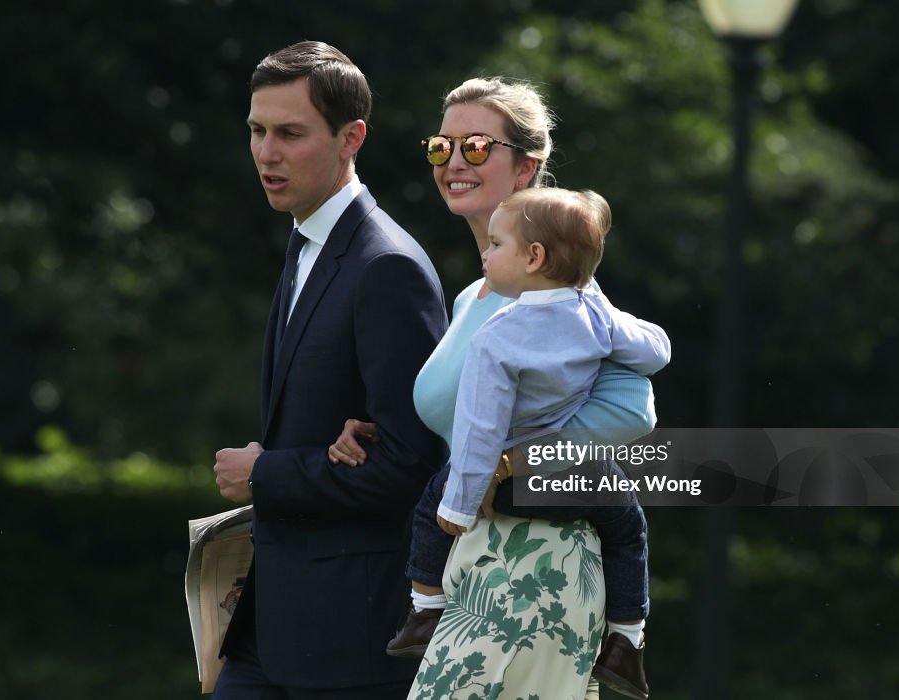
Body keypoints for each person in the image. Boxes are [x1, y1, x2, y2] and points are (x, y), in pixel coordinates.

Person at [328, 78, 659, 700]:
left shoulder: (568, 298)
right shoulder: (470, 297)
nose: (454, 162)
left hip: (540, 561)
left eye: (476, 147)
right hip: (472, 562)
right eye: (441, 147)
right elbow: (469, 414)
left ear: (527, 166)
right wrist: (371, 428)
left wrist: (508, 468)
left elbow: (629, 412)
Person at [210, 41, 449, 700]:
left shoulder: (387, 267)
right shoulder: (305, 240)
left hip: (351, 645)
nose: (266, 152)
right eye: (257, 131)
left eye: (290, 133)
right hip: (272, 630)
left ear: (353, 138)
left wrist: (267, 472)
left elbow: (413, 465)